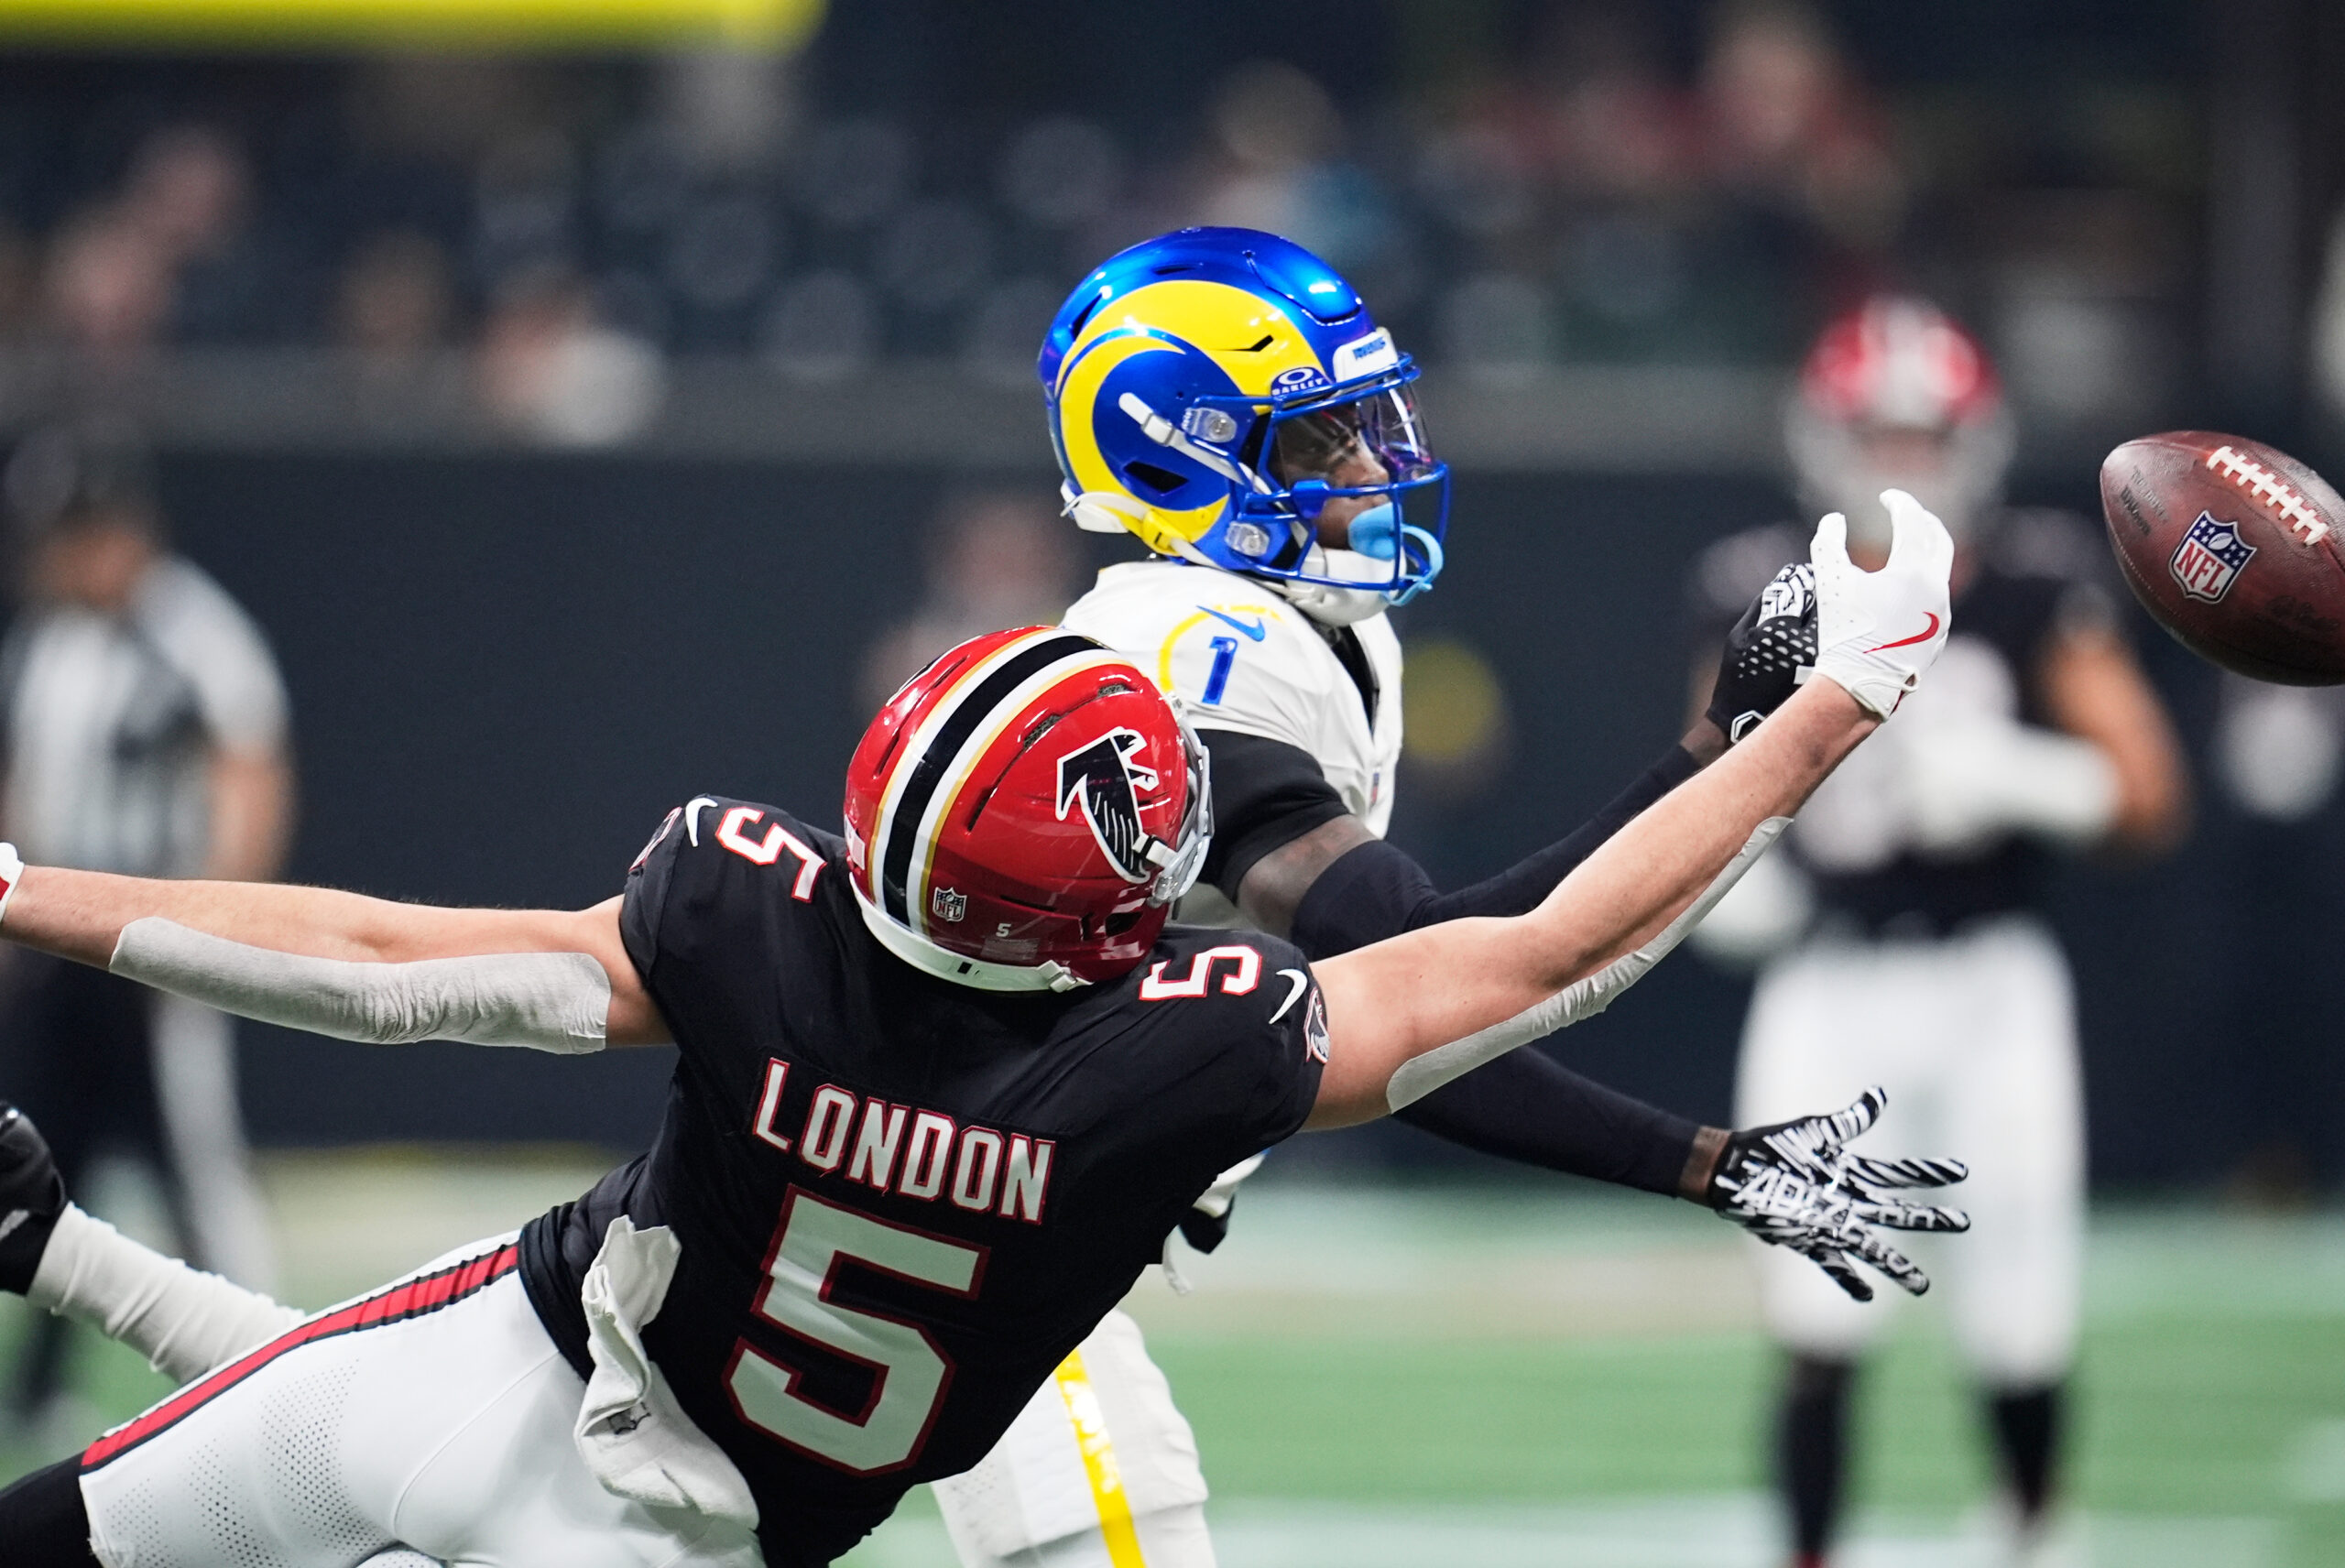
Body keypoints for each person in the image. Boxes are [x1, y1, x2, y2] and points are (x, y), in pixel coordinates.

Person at [0, 497, 1964, 1568]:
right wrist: (1821, 720)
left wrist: (20, 894)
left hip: (461, 1365)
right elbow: (1532, 957)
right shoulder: (1159, 1069)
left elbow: (373, 961)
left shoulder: (740, 916)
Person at [935, 223, 1833, 1568]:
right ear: (1171, 455)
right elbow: (1440, 986)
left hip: (1009, 1211)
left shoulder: (1314, 635)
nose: (1370, 466)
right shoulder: (1175, 664)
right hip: (975, 1229)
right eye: (1315, 441)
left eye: (1364, 423)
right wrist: (1698, 1161)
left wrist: (1721, 751)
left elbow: (1446, 979)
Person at [1685, 296, 2188, 1568]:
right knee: (1814, 1306)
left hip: (1990, 982)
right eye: (1880, 434)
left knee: (2018, 1312)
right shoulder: (1770, 583)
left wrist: (2026, 776)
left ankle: (2031, 1535)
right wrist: (1722, 881)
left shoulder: (2031, 579)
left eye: (1925, 436)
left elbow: (2148, 794)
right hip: (1831, 983)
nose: (1902, 462)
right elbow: (1693, 775)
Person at [0, 429, 291, 1434]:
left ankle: (268, 1361)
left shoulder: (196, 633)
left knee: (194, 1160)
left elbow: (251, 776)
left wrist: (213, 925)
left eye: (73, 535)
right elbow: (27, 793)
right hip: (63, 947)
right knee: (47, 1152)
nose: (54, 557)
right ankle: (40, 1384)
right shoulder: (51, 644)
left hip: (158, 944)